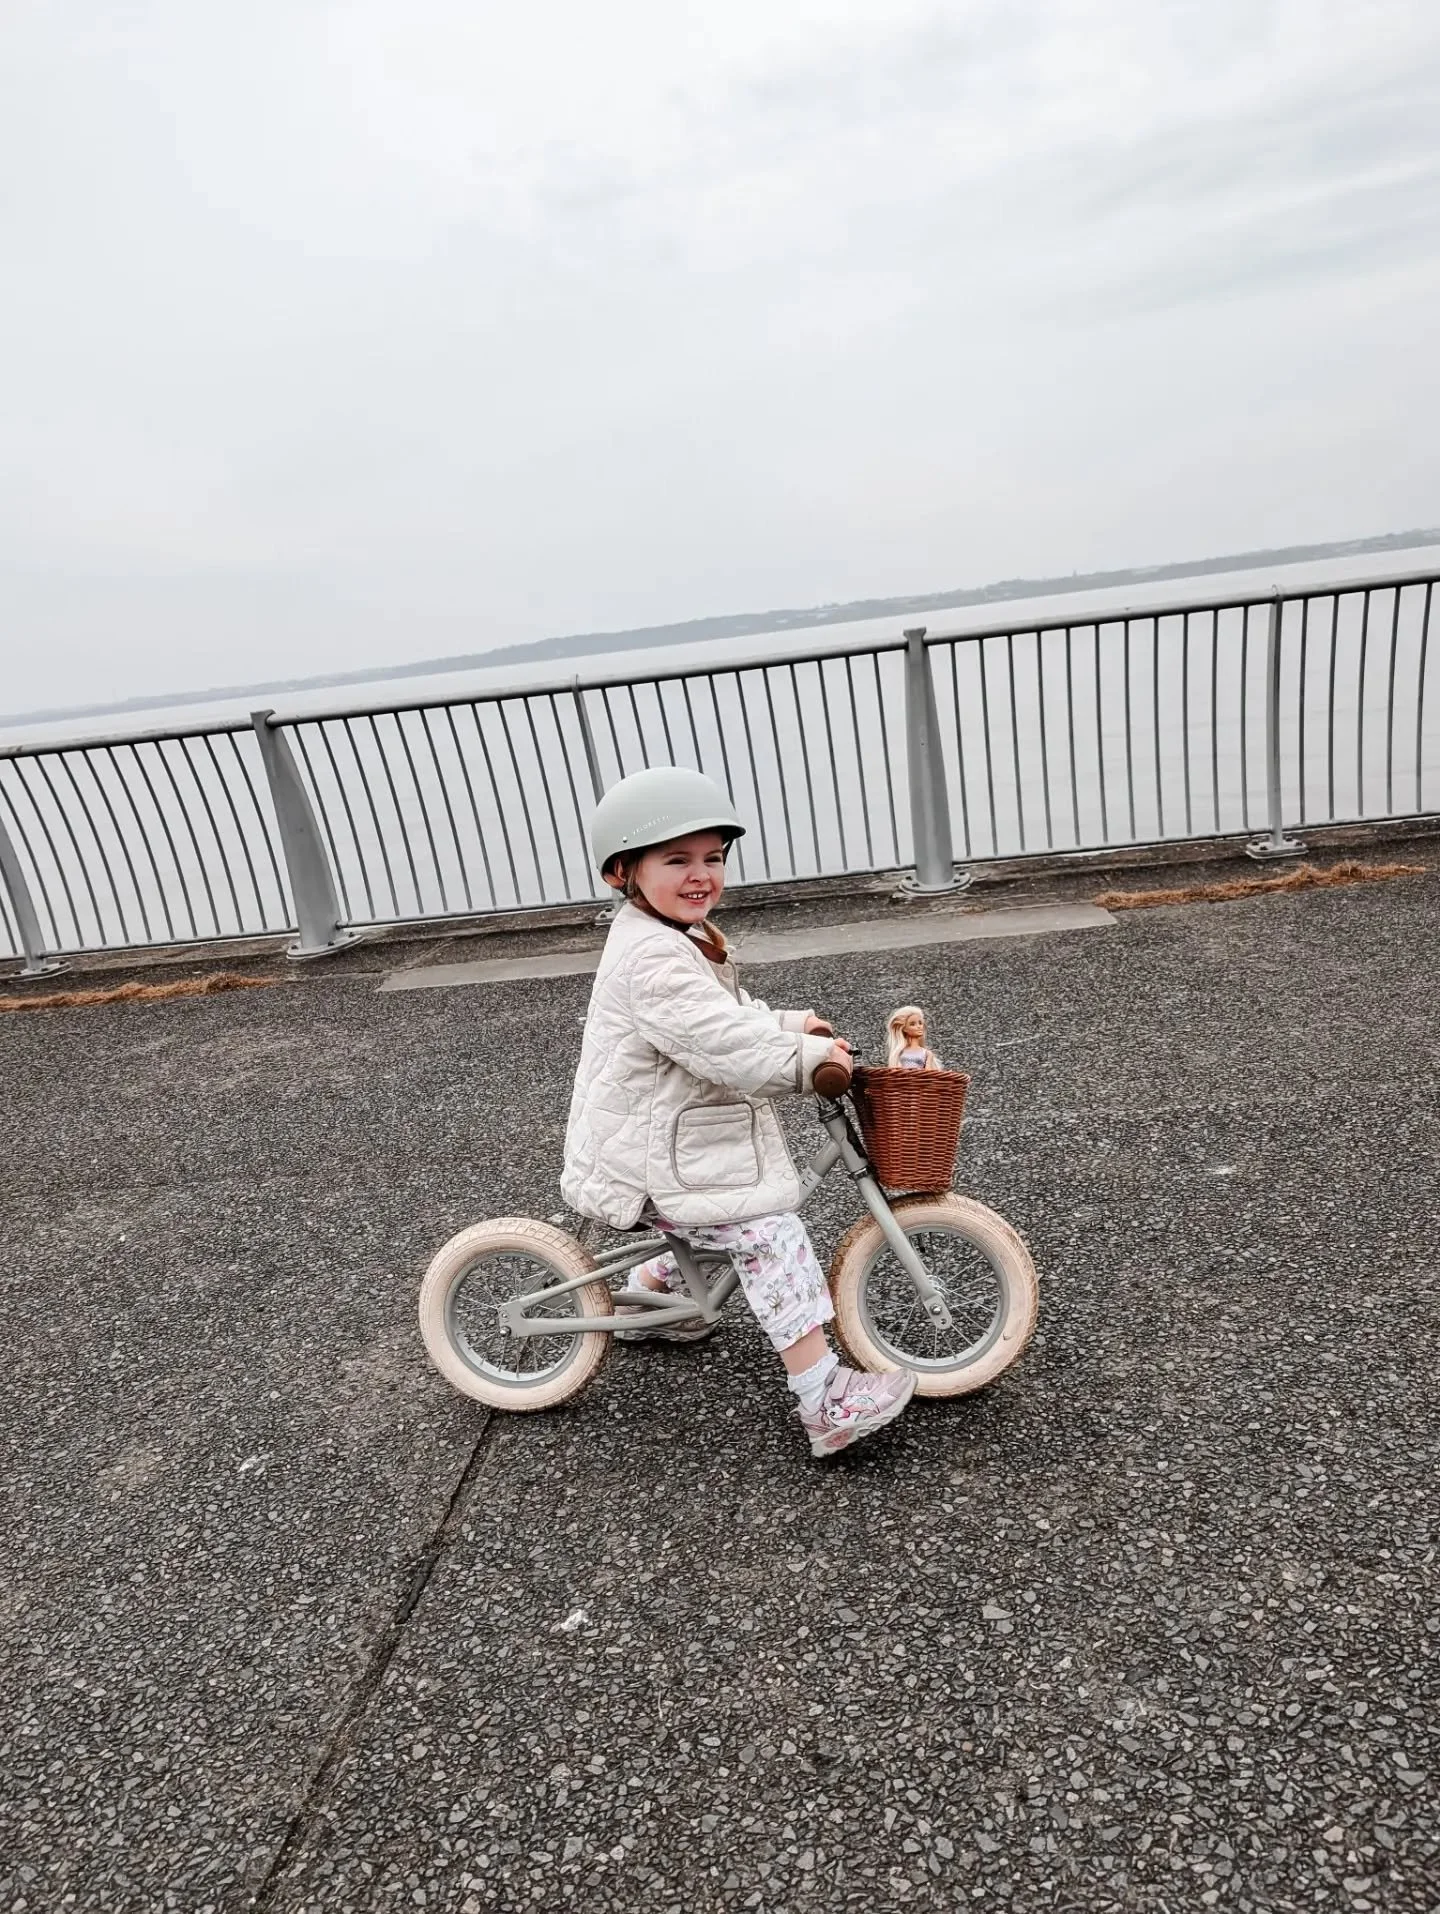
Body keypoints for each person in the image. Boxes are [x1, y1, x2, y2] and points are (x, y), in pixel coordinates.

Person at [562, 765, 916, 1458]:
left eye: (712, 858)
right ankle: (825, 1401)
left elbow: (722, 1019)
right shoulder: (653, 960)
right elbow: (721, 1044)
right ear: (621, 872)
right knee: (769, 1232)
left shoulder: (674, 937)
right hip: (650, 1158)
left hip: (662, 1137)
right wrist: (803, 1062)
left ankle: (644, 1304)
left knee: (724, 1199)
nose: (701, 875)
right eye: (677, 860)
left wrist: (788, 1025)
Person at [886, 1005, 941, 1071]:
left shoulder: (926, 1053)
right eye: (912, 1024)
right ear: (904, 1029)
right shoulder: (899, 1052)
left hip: (919, 1080)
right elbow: (895, 1072)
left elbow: (928, 1073)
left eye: (920, 1023)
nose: (919, 1027)